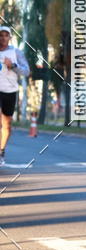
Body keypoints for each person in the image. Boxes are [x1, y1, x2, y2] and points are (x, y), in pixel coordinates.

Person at [0, 26, 31, 165]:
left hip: (10, 91)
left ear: (10, 38)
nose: (3, 38)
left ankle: (1, 150)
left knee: (7, 125)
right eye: (1, 35)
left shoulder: (16, 52)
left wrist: (12, 65)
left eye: (6, 35)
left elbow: (26, 71)